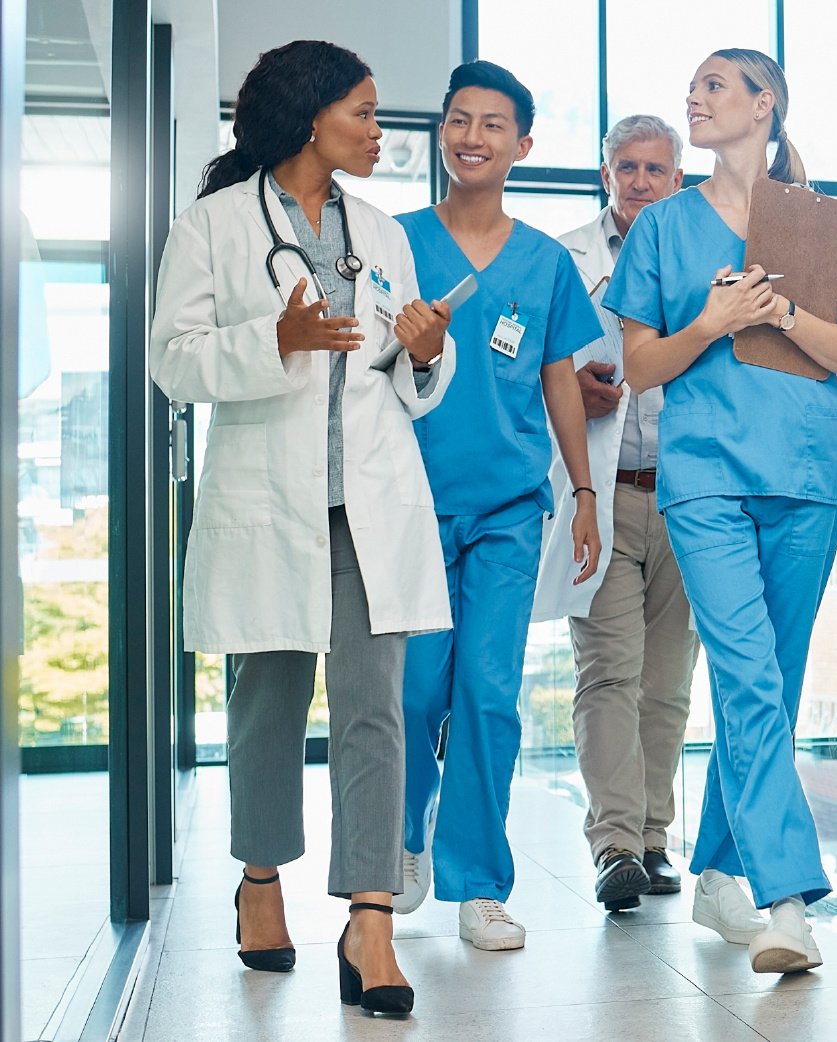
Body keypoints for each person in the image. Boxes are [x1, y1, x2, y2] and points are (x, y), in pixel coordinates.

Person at [149, 40, 456, 1015]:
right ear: (308, 115)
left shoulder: (384, 233)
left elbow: (409, 388)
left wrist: (424, 351)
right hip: (264, 508)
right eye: (363, 113)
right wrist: (271, 339)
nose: (378, 131)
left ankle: (370, 919)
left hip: (368, 509)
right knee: (267, 712)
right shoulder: (210, 228)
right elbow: (174, 362)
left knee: (376, 712)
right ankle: (259, 880)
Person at [603, 48, 837, 973]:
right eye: (695, 87)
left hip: (805, 479)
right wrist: (712, 326)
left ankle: (718, 868)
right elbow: (640, 367)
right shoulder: (662, 229)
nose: (696, 96)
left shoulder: (818, 222)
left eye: (715, 85)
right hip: (705, 480)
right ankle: (788, 900)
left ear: (765, 104)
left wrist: (783, 316)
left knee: (775, 690)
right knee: (750, 682)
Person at [392, 60, 603, 951]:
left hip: (512, 510)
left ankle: (478, 881)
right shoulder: (395, 240)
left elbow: (561, 378)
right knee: (409, 692)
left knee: (488, 691)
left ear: (522, 144)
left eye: (490, 124)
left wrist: (584, 490)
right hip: (405, 503)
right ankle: (402, 846)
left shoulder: (546, 263)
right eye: (457, 121)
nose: (471, 136)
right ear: (441, 132)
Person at [532, 115, 701, 912]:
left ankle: (656, 839)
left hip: (686, 497)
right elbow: (531, 370)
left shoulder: (706, 256)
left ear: (678, 178)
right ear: (605, 173)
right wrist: (566, 387)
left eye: (655, 169)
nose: (639, 180)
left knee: (667, 684)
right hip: (600, 494)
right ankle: (615, 848)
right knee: (609, 673)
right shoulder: (563, 259)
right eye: (626, 167)